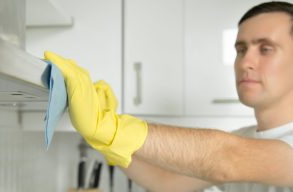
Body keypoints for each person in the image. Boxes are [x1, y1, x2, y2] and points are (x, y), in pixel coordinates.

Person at [44, 1, 293, 191]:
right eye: (241, 49)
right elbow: (165, 182)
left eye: (266, 49)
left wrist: (113, 128)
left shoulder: (235, 150)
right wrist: (104, 138)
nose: (245, 61)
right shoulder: (245, 138)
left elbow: (226, 158)